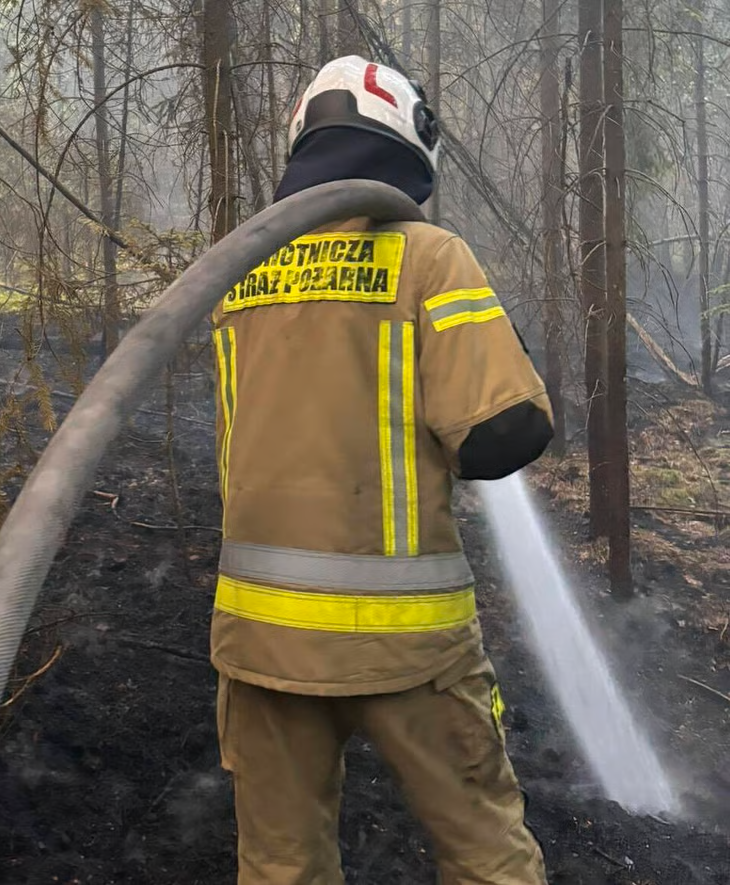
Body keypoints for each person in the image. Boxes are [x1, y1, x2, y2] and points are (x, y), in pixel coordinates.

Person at [210, 55, 554, 885]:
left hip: (261, 644)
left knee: (280, 867)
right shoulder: (429, 259)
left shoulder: (238, 274)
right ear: (410, 139)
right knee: (484, 852)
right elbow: (501, 435)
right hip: (406, 646)